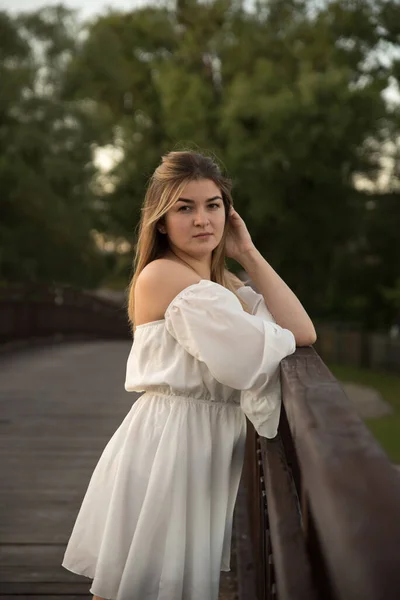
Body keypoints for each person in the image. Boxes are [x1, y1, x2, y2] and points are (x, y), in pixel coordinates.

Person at [62, 150, 316, 600]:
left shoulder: (225, 286)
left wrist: (248, 253)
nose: (202, 219)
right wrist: (264, 326)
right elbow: (267, 346)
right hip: (170, 447)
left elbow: (301, 330)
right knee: (137, 586)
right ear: (161, 221)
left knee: (154, 584)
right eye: (185, 207)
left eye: (213, 205)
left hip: (198, 447)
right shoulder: (164, 275)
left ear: (228, 212)